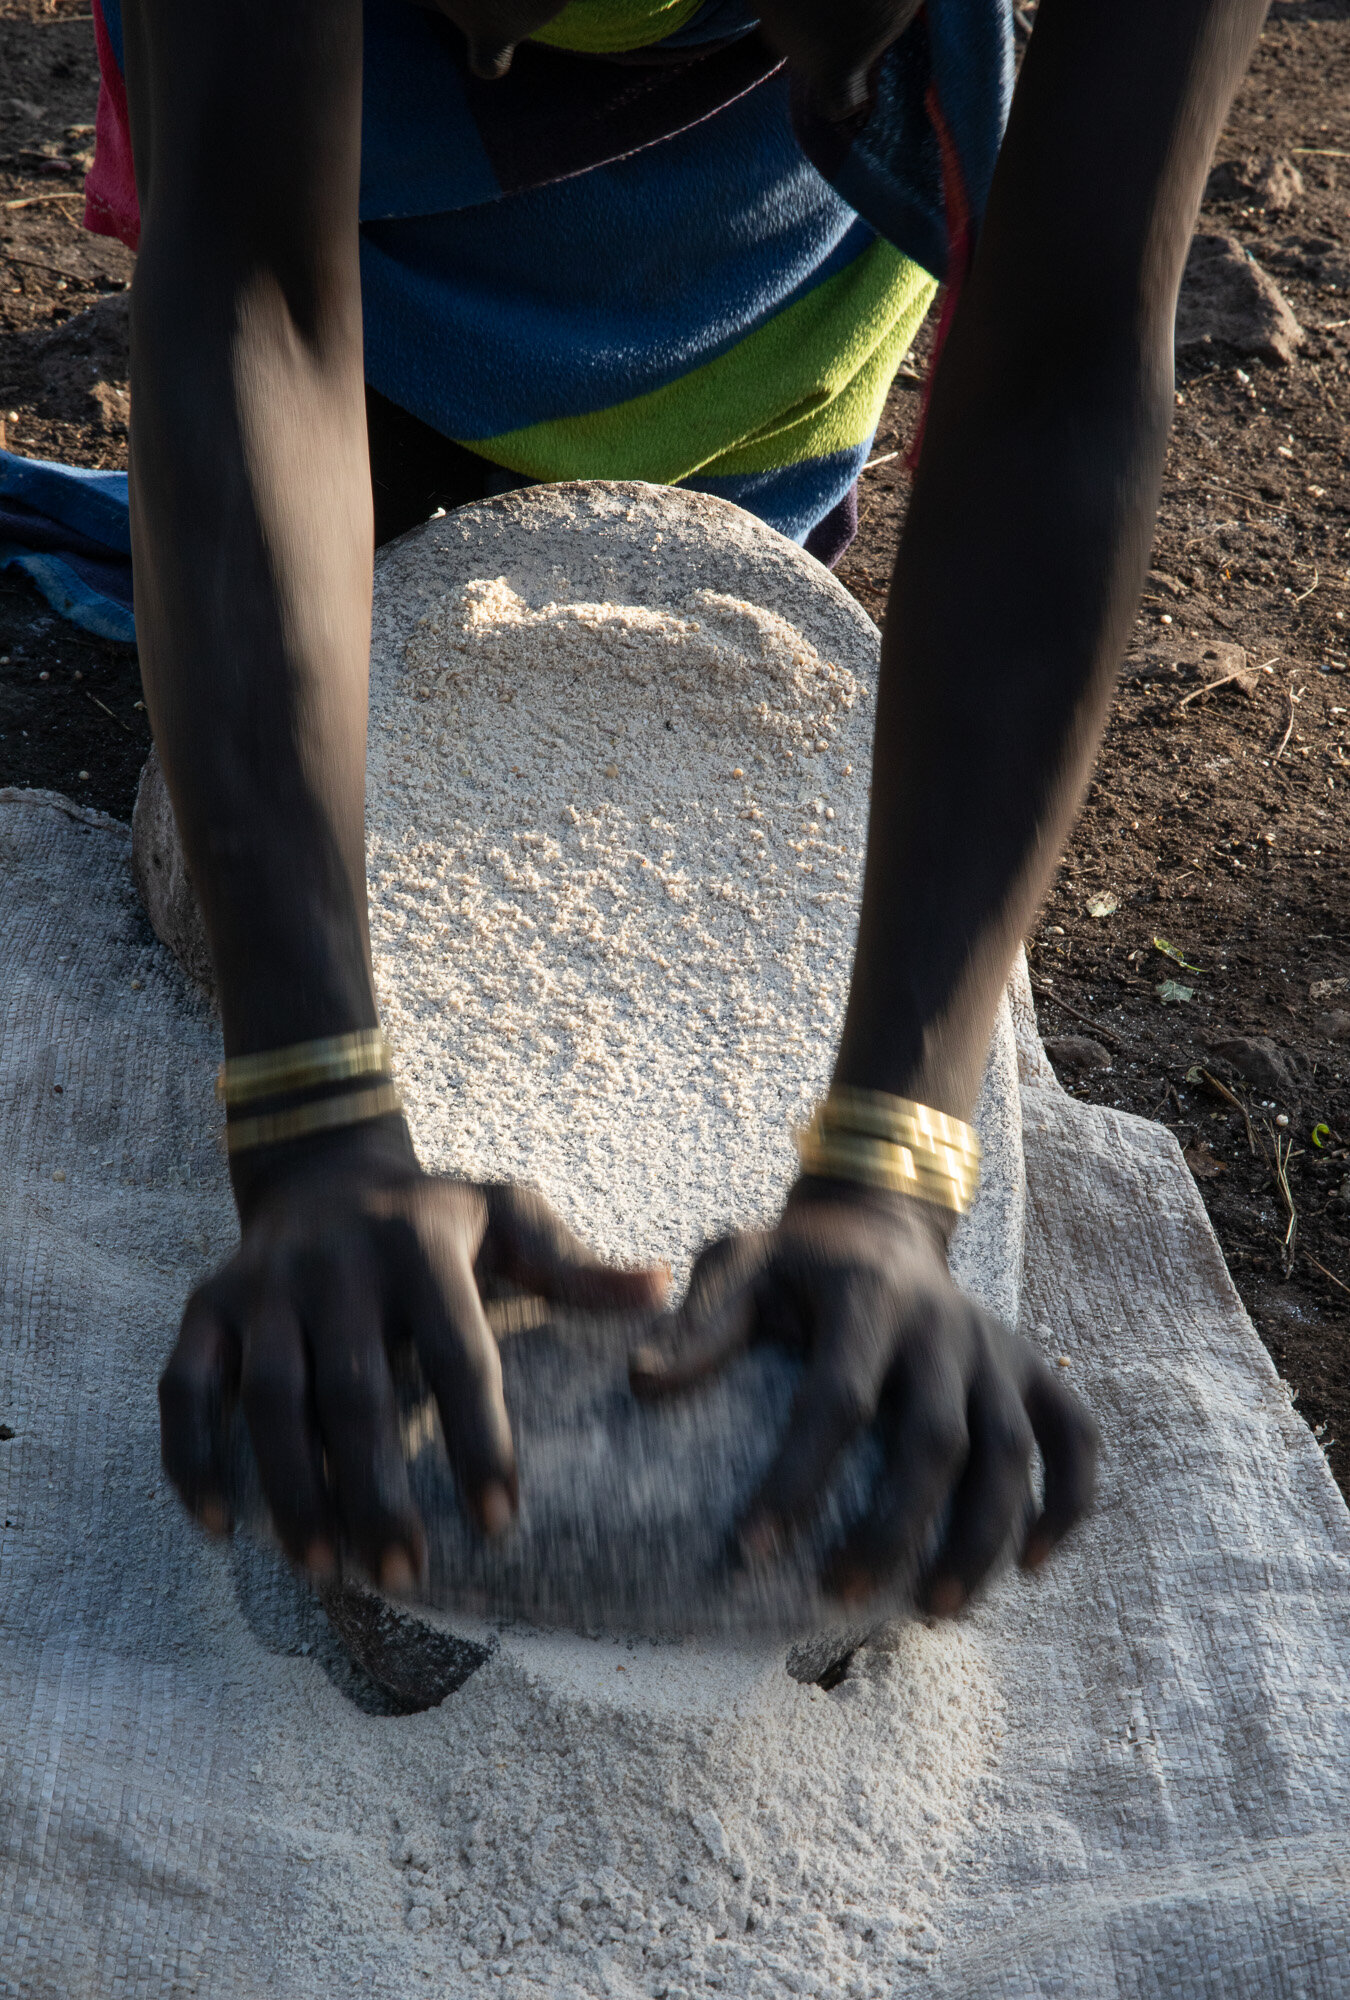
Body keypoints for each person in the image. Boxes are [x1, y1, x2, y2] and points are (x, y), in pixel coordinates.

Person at [97, 0, 1264, 1610]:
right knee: (318, 704)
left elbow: (1066, 351)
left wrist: (890, 1167)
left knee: (753, 673)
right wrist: (312, 1125)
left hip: (766, 248)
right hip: (349, 162)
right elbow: (255, 289)